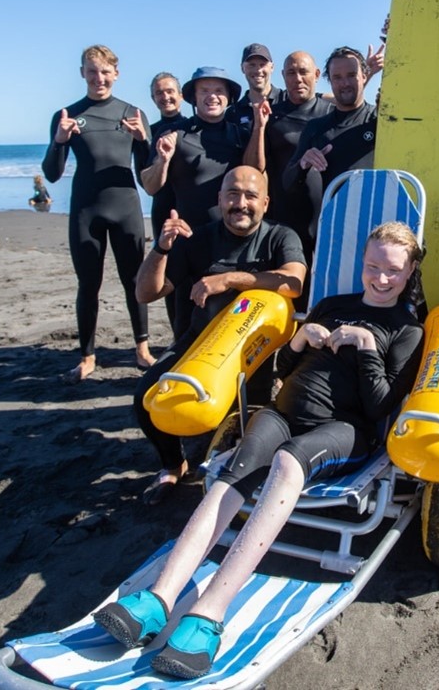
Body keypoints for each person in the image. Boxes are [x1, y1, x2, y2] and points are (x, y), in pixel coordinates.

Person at [96, 221, 424, 679]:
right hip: (283, 411)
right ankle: (159, 597)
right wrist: (298, 340)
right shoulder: (331, 306)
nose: (381, 278)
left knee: (288, 463)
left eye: (392, 270)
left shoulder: (407, 328)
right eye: (373, 267)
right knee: (236, 466)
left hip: (344, 430)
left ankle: (209, 614)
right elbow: (285, 367)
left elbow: (381, 407)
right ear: (363, 264)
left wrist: (367, 347)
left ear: (409, 271)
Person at [132, 166, 308, 503]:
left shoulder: (281, 237)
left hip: (258, 347)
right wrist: (161, 249)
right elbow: (145, 293)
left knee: (253, 417)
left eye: (250, 196)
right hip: (200, 341)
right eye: (232, 194)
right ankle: (173, 465)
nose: (240, 203)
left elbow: (293, 282)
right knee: (146, 399)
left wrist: (230, 280)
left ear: (266, 203)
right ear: (220, 199)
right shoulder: (199, 239)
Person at [43, 44, 156, 382]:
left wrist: (144, 141)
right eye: (92, 71)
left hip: (126, 208)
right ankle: (87, 355)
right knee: (88, 283)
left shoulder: (133, 113)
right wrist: (60, 141)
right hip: (86, 210)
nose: (99, 78)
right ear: (82, 73)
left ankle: (142, 349)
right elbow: (51, 173)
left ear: (116, 74)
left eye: (105, 71)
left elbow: (147, 173)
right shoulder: (67, 115)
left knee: (134, 281)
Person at [141, 66, 265, 340]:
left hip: (231, 242)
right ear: (193, 98)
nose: (212, 96)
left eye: (219, 90)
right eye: (205, 91)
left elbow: (256, 172)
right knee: (185, 323)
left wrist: (259, 128)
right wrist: (162, 159)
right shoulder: (175, 134)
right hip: (189, 243)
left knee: (232, 321)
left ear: (228, 97)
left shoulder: (240, 135)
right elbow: (151, 186)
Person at [282, 46, 379, 249]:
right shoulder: (316, 128)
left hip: (376, 230)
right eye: (337, 77)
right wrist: (303, 163)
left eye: (351, 75)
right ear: (330, 81)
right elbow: (288, 183)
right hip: (333, 234)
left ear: (364, 76)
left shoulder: (379, 121)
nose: (344, 83)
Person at [259, 51, 333, 250]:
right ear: (283, 76)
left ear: (316, 75)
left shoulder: (332, 113)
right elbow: (257, 166)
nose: (298, 78)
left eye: (303, 72)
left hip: (326, 222)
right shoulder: (271, 116)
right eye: (291, 73)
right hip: (283, 221)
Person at [142, 72, 190, 328]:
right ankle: (175, 336)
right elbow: (147, 181)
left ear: (181, 95)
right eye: (159, 93)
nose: (165, 97)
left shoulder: (194, 126)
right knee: (166, 277)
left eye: (170, 91)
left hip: (188, 210)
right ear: (153, 98)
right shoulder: (150, 135)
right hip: (162, 211)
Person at [227, 43, 284, 132]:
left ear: (272, 67)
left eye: (262, 64)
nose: (258, 70)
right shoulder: (233, 113)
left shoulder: (287, 100)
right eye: (252, 65)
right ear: (242, 68)